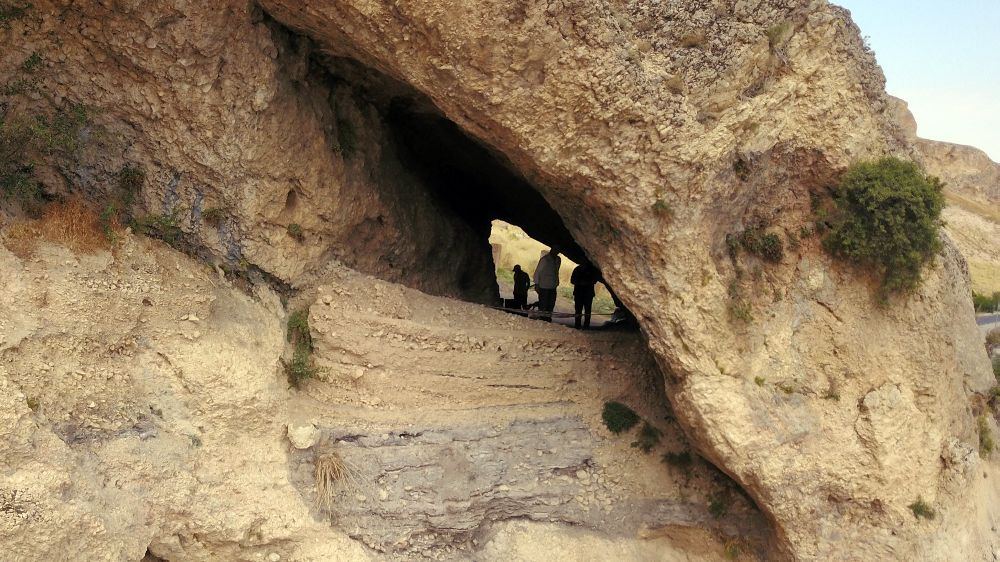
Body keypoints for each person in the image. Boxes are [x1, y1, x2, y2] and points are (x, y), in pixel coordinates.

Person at [532, 248, 561, 322]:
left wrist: (556, 283)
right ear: (551, 249)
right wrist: (537, 284)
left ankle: (547, 319)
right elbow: (537, 272)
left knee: (551, 304)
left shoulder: (558, 260)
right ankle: (542, 319)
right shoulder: (544, 260)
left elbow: (556, 272)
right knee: (543, 304)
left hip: (553, 286)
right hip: (544, 286)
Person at [570, 263, 600, 329]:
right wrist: (580, 282)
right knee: (578, 310)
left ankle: (586, 325)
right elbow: (572, 280)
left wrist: (584, 282)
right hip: (579, 293)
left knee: (587, 310)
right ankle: (577, 325)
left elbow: (595, 280)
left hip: (587, 293)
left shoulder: (591, 270)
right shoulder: (577, 269)